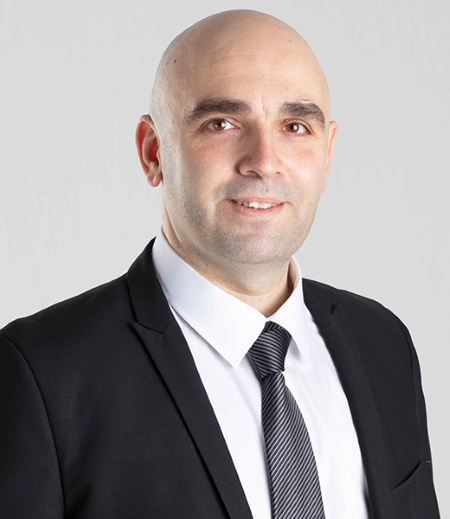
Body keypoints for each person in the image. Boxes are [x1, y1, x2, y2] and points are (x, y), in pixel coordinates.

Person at [0, 9, 440, 519]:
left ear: (327, 155)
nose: (264, 159)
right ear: (153, 152)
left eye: (295, 126)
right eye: (222, 123)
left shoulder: (384, 344)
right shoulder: (42, 374)